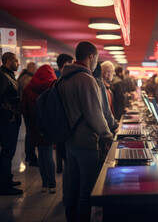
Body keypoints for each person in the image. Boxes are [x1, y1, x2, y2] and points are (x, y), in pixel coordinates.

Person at [57, 41, 113, 222]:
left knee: (73, 187)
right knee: (86, 190)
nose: (96, 62)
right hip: (86, 142)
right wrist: (108, 134)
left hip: (70, 140)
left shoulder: (64, 78)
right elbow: (94, 114)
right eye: (96, 58)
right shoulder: (85, 79)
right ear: (91, 57)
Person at [0, 52, 23, 195]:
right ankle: (5, 187)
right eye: (16, 61)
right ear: (8, 61)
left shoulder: (8, 75)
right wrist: (9, 116)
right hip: (6, 122)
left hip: (10, 121)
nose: (18, 63)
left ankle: (8, 180)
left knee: (9, 152)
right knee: (7, 153)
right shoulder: (1, 76)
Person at [21, 65, 57, 193]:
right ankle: (52, 184)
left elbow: (24, 109)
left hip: (35, 127)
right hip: (49, 126)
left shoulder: (29, 88)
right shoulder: (54, 88)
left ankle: (44, 183)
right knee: (48, 154)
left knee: (41, 154)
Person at [94, 61, 118, 165]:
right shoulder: (102, 88)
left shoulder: (105, 87)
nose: (113, 74)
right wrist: (113, 127)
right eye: (112, 72)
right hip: (103, 133)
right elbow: (104, 113)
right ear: (105, 73)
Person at [55, 54, 73, 174]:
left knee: (60, 148)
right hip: (65, 121)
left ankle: (59, 168)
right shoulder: (63, 79)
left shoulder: (56, 78)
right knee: (67, 157)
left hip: (59, 121)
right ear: (65, 64)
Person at [18, 62, 38, 167]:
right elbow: (29, 95)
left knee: (29, 132)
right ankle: (30, 156)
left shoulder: (23, 77)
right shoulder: (27, 79)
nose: (36, 70)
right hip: (28, 109)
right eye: (35, 68)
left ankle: (28, 155)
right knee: (31, 132)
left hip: (25, 109)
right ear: (31, 68)